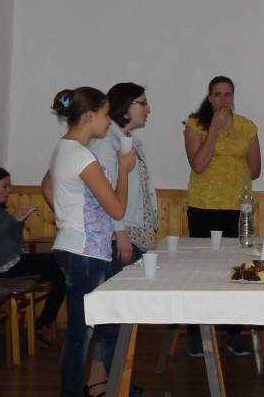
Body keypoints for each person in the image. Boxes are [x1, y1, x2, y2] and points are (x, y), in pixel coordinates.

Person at [41, 87, 136, 397]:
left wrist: (66, 218)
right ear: (90, 116)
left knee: (101, 328)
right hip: (84, 252)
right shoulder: (81, 155)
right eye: (106, 114)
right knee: (80, 336)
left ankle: (110, 386)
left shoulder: (64, 147)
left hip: (79, 247)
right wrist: (124, 169)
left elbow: (47, 186)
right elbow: (117, 209)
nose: (109, 121)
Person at [85, 83, 157, 396]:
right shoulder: (106, 142)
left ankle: (100, 381)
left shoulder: (127, 140)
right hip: (119, 237)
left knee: (120, 313)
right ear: (125, 106)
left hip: (132, 234)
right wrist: (121, 234)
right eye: (142, 103)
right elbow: (108, 193)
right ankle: (111, 385)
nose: (148, 109)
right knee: (116, 313)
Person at [184, 76, 261, 357]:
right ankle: (197, 334)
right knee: (201, 271)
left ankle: (234, 334)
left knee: (237, 270)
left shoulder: (246, 126)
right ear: (209, 97)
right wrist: (214, 128)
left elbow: (255, 169)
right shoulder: (196, 124)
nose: (223, 100)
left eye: (228, 94)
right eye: (217, 95)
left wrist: (232, 177)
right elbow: (198, 165)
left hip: (238, 209)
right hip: (203, 206)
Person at [0, 167, 66, 347]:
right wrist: (11, 220)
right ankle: (42, 324)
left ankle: (42, 324)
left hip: (15, 261)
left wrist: (20, 221)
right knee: (59, 263)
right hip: (4, 267)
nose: (9, 191)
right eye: (4, 186)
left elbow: (12, 238)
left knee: (60, 273)